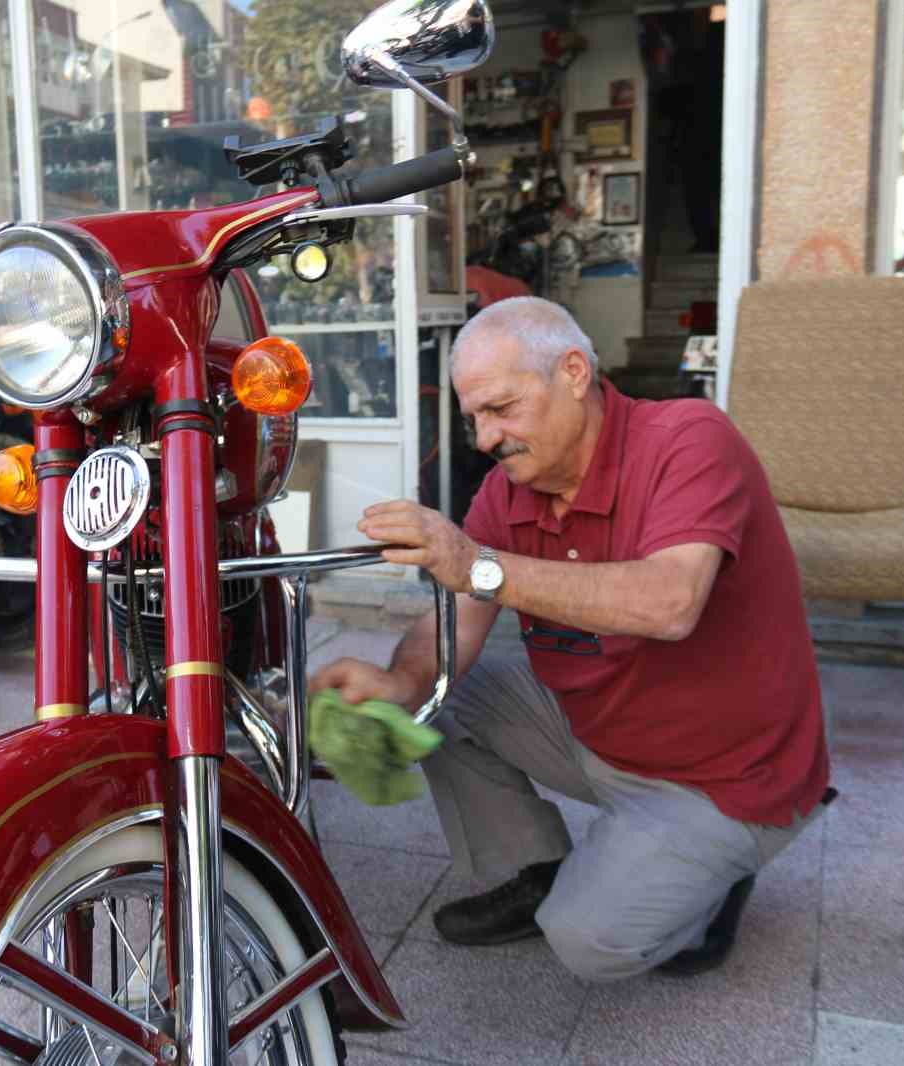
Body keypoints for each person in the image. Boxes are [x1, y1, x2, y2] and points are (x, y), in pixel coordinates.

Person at [308, 296, 831, 981]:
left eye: (501, 408)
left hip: (720, 779)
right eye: (475, 420)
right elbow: (457, 619)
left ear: (575, 373)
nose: (488, 438)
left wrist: (478, 563)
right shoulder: (508, 490)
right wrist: (400, 684)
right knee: (442, 697)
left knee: (587, 942)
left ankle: (713, 877)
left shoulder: (688, 440)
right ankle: (536, 871)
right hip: (599, 735)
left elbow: (671, 602)